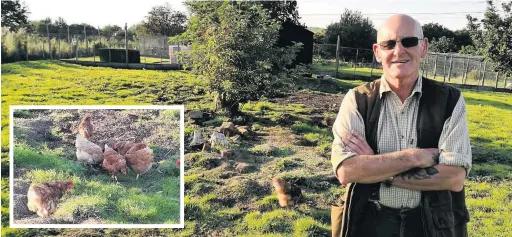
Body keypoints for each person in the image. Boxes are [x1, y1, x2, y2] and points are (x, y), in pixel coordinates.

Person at [330, 14, 472, 237]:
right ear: (378, 52)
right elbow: (347, 170)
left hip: (429, 224)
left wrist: (378, 170)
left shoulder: (449, 101)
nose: (399, 51)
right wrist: (414, 157)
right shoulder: (357, 99)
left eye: (409, 41)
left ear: (423, 47)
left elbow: (454, 177)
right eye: (389, 44)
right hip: (369, 222)